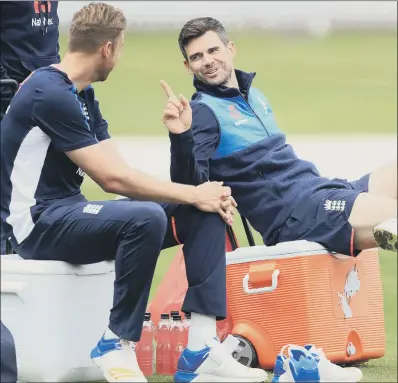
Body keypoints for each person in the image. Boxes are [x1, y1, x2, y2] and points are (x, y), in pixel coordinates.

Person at [0, 4, 267, 383]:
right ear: (108, 48)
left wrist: (187, 161)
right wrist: (192, 193)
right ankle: (117, 341)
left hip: (71, 214)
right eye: (121, 48)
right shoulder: (48, 92)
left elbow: (122, 170)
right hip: (37, 225)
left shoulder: (81, 93)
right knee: (148, 216)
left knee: (205, 209)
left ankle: (201, 350)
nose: (120, 57)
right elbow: (114, 180)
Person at [165, 17, 397, 260]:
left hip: (321, 192)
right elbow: (189, 187)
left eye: (213, 50)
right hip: (296, 215)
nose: (208, 61)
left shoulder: (254, 95)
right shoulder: (202, 112)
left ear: (231, 49)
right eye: (197, 57)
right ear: (187, 66)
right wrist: (180, 135)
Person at [1, 0, 60, 255]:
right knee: (7, 195)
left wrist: (59, 72)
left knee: (44, 192)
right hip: (11, 95)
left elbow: (47, 36)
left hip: (47, 91)